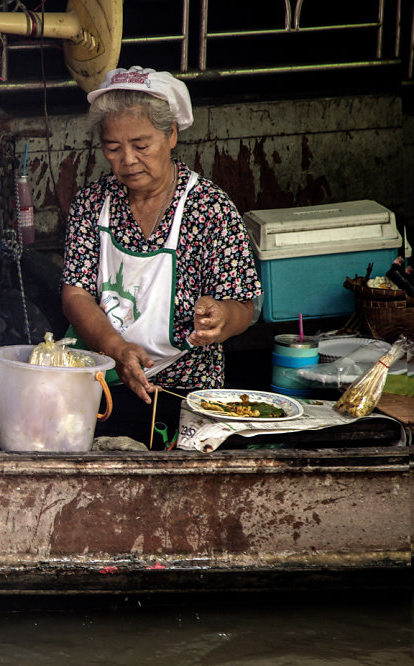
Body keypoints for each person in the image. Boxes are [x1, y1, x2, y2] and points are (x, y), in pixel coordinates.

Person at [60, 66, 263, 448]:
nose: (128, 160)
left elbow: (244, 305)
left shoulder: (209, 208)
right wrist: (116, 350)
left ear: (170, 135)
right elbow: (76, 295)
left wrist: (221, 317)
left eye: (141, 145)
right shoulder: (92, 203)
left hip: (185, 389)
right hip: (103, 379)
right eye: (113, 148)